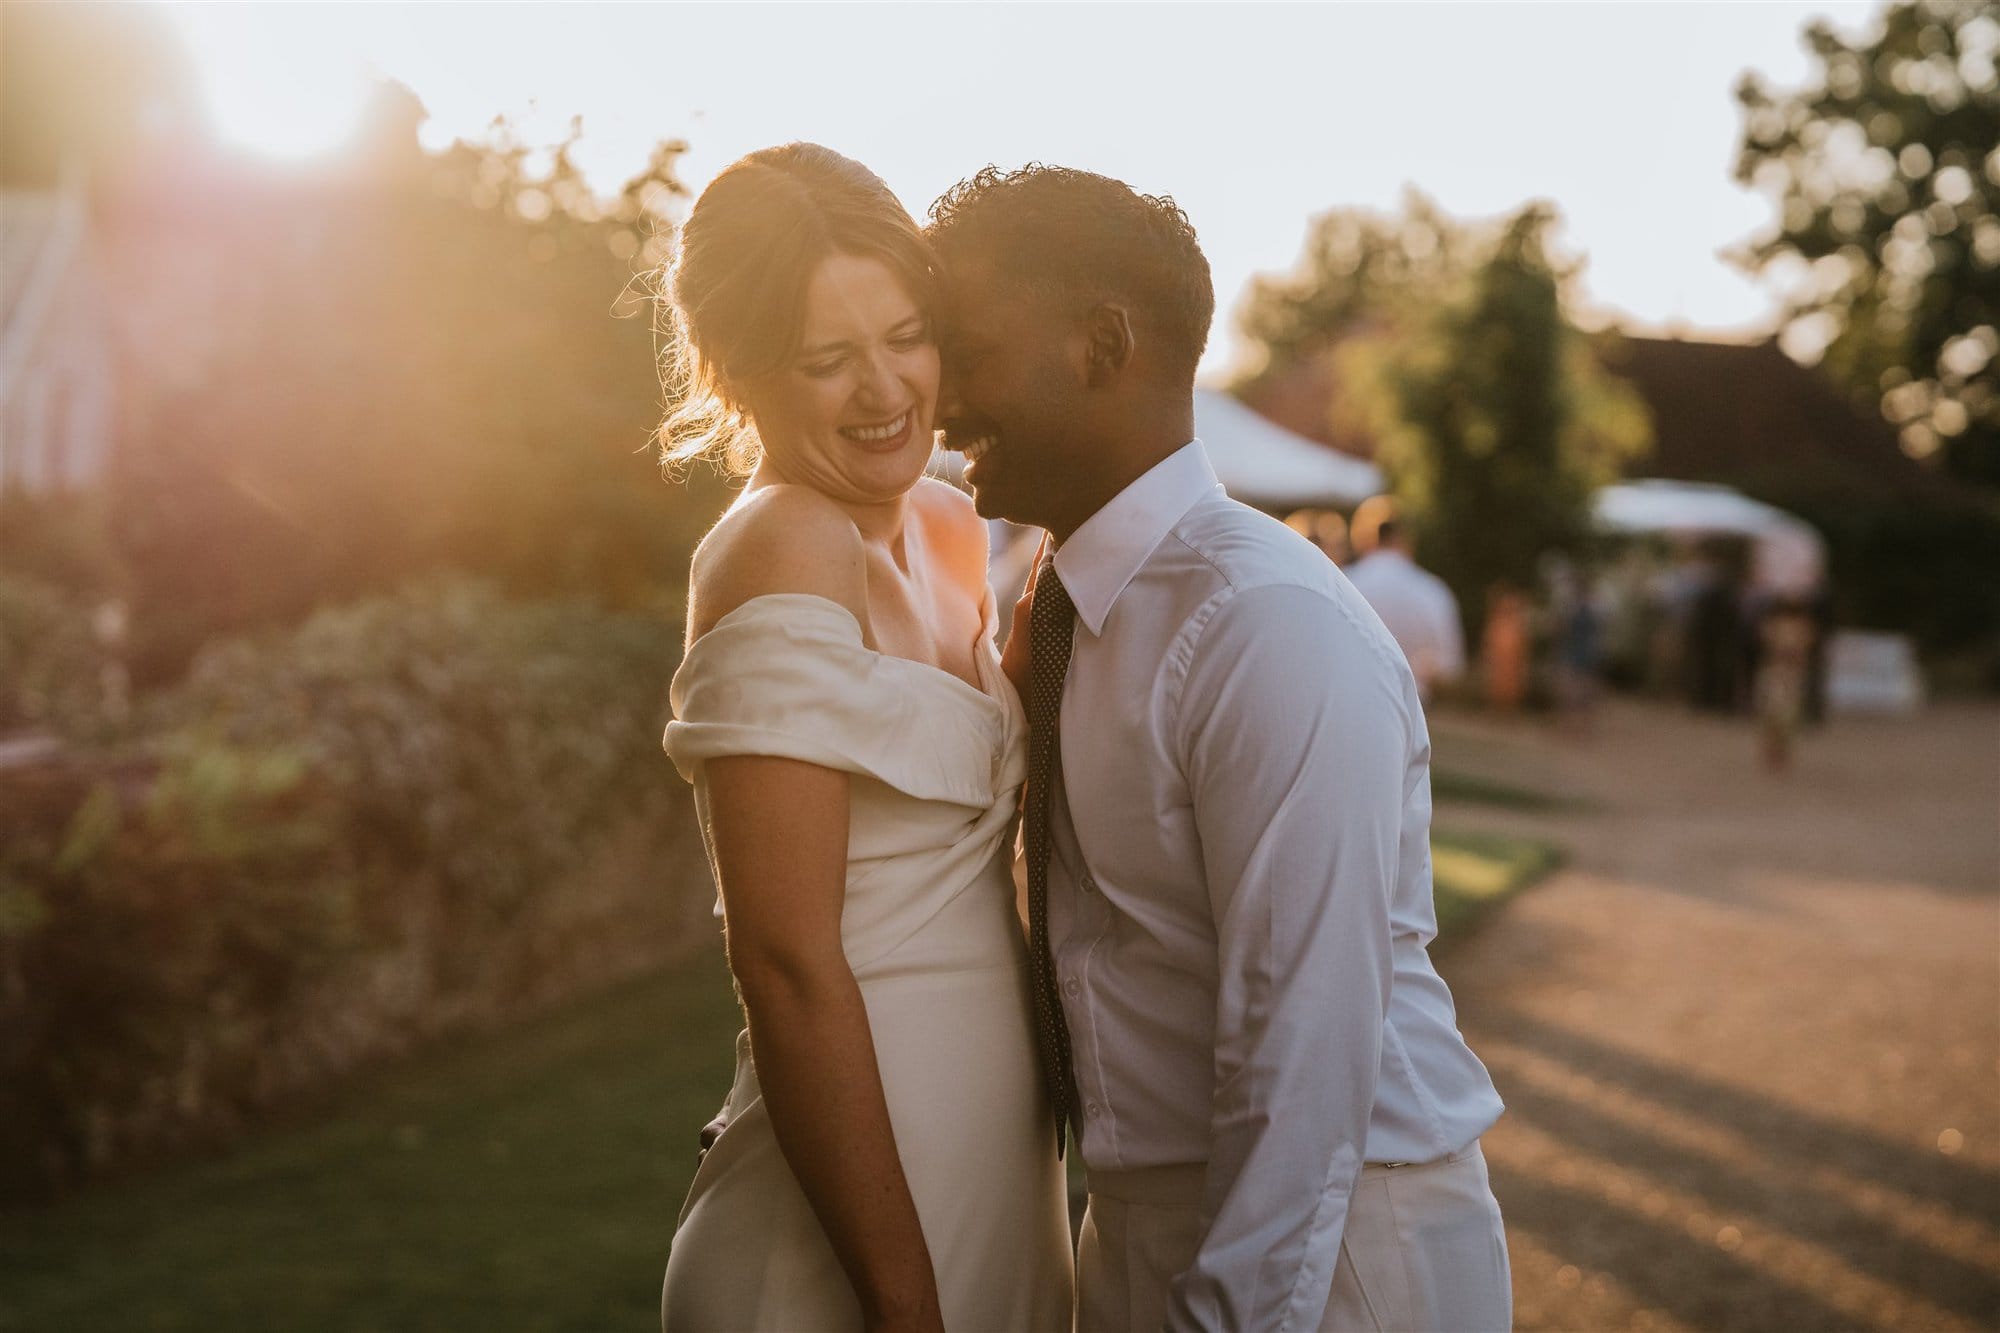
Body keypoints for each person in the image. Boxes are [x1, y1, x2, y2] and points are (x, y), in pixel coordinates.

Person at [929, 165, 1510, 1333]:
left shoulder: (1261, 624)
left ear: (1101, 344)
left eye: (970, 350)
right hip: (1138, 1215)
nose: (941, 400)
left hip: (1332, 1251)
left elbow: (1302, 1048)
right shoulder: (1054, 604)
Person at [655, 144, 1072, 1333]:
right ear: (737, 375)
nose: (885, 390)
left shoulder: (950, 529)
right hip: (845, 1241)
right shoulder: (779, 545)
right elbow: (782, 963)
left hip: (995, 1180)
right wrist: (899, 1298)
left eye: (905, 335)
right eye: (826, 360)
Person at [1344, 495, 1466, 704]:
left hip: (1351, 700)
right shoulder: (1431, 591)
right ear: (1405, 538)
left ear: (1361, 537)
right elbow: (1451, 665)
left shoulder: (1344, 583)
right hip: (1413, 706)